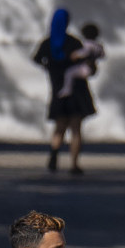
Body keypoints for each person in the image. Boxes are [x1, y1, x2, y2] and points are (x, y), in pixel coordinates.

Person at [32, 9, 97, 175]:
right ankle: (74, 164)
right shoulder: (74, 43)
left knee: (59, 127)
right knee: (76, 129)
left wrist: (49, 66)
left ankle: (54, 155)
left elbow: (36, 58)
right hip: (77, 91)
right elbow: (87, 63)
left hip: (57, 90)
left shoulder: (47, 43)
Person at [58, 22, 104, 100]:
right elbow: (102, 55)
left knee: (69, 72)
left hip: (86, 67)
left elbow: (85, 52)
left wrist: (75, 54)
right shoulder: (98, 45)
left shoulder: (88, 44)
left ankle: (67, 90)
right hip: (94, 68)